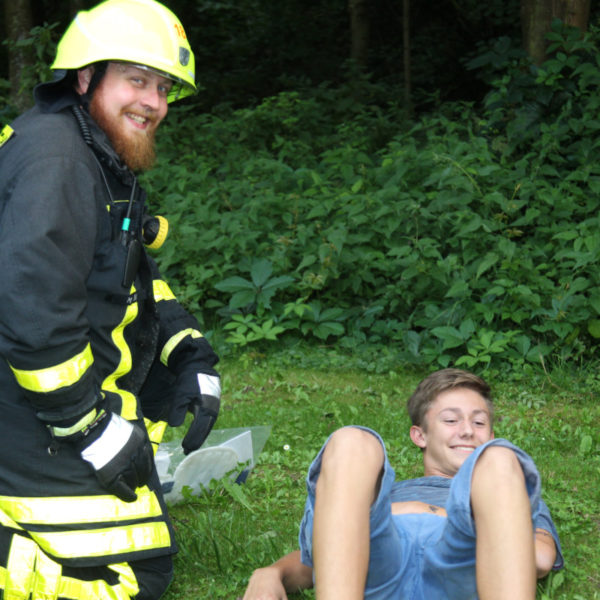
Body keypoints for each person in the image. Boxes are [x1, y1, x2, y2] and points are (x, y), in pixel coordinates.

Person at [0, 1, 221, 598]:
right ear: (85, 76)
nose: (155, 103)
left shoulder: (92, 153)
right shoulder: (58, 162)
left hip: (39, 409)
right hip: (26, 413)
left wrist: (187, 353)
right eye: (137, 79)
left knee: (149, 548)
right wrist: (91, 428)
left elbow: (126, 277)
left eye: (163, 87)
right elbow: (34, 321)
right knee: (133, 578)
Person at [241, 368, 564, 600]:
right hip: (381, 558)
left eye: (479, 423)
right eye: (451, 420)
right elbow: (326, 554)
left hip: (462, 559)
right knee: (353, 441)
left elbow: (537, 560)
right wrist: (272, 572)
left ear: (489, 435)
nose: (467, 431)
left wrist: (487, 511)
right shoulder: (380, 491)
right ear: (419, 435)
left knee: (499, 460)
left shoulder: (505, 487)